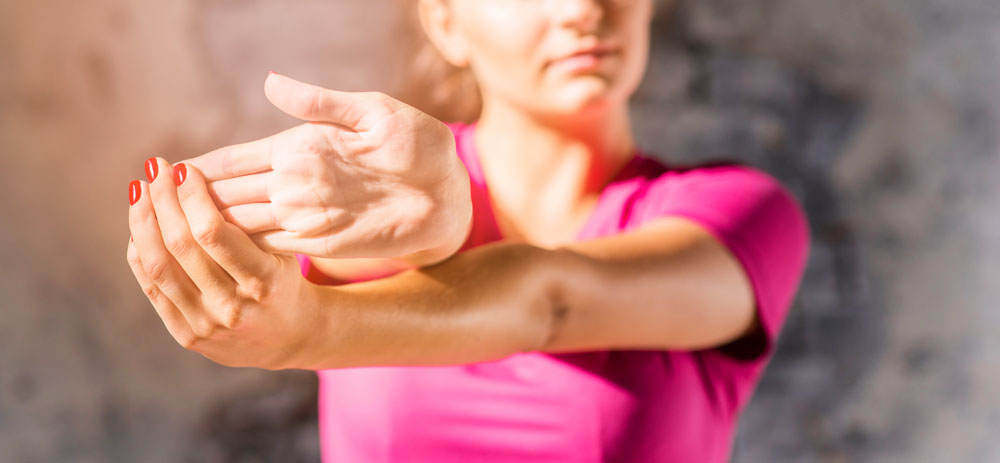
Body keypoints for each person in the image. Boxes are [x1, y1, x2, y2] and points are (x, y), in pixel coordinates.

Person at [124, 0, 810, 460]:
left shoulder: (743, 216)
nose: (583, 10)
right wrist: (432, 233)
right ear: (446, 21)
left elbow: (550, 299)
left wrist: (309, 328)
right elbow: (368, 260)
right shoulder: (381, 188)